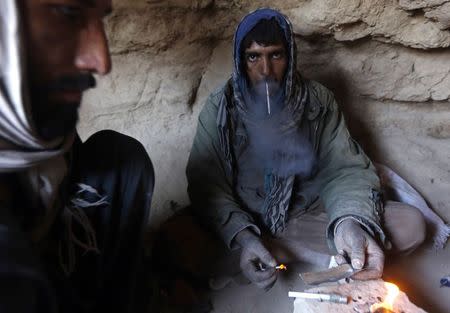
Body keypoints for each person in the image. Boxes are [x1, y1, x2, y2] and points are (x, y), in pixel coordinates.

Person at [186, 8, 427, 290]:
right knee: (174, 242)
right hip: (247, 221)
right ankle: (274, 252)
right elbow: (207, 185)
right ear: (241, 60)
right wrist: (245, 236)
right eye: (254, 57)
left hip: (309, 217)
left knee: (411, 225)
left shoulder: (317, 100)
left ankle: (285, 254)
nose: (265, 70)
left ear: (290, 56)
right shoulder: (220, 108)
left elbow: (344, 169)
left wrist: (348, 224)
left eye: (275, 55)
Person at [0, 1, 154, 312]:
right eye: (68, 13)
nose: (101, 61)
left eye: (100, 21)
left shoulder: (36, 141)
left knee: (124, 159)